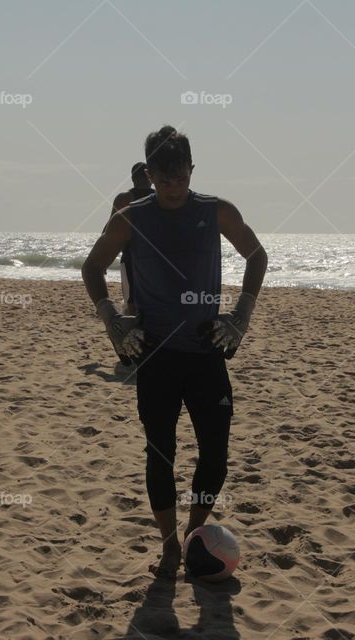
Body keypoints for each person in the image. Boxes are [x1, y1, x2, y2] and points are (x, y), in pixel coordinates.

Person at [81, 125, 268, 580]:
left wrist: (240, 315)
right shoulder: (131, 216)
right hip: (157, 357)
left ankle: (193, 534)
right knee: (160, 454)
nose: (173, 188)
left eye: (181, 177)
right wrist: (112, 320)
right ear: (150, 173)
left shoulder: (216, 211)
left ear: (192, 170)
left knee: (215, 456)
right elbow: (92, 266)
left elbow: (257, 255)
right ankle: (168, 548)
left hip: (205, 352)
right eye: (164, 180)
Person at [109, 162, 153, 316]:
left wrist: (103, 261)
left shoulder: (124, 198)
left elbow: (110, 231)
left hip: (133, 256)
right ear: (151, 177)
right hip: (153, 257)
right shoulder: (162, 197)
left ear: (133, 178)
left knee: (132, 302)